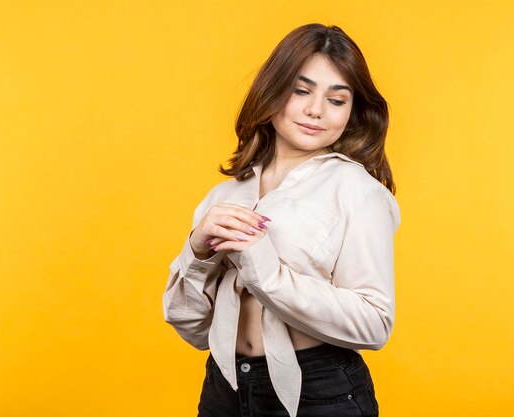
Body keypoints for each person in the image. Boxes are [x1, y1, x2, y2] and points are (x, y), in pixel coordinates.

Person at [162, 23, 400, 417]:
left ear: (353, 111)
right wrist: (197, 251)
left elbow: (374, 325)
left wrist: (267, 272)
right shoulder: (226, 194)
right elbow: (192, 329)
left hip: (319, 392)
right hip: (225, 387)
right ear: (272, 91)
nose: (315, 110)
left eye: (336, 100)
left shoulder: (358, 191)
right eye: (301, 91)